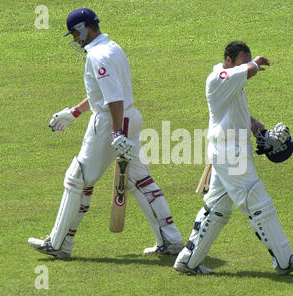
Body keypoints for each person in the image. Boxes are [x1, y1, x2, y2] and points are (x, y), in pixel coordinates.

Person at [28, 8, 183, 259]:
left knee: (77, 179)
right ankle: (171, 239)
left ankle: (58, 244)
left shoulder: (98, 55)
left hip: (111, 122)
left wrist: (116, 132)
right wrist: (76, 112)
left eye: (75, 34)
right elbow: (104, 92)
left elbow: (113, 97)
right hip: (129, 117)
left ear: (83, 28)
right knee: (139, 179)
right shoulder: (112, 47)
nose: (74, 40)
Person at [174, 41, 293, 275]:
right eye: (241, 61)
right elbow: (246, 71)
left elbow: (231, 112)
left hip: (229, 151)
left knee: (217, 208)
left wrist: (254, 125)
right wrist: (255, 64)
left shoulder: (231, 83)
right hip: (230, 153)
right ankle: (284, 260)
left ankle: (188, 261)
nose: (245, 66)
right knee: (258, 201)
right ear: (228, 61)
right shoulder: (218, 78)